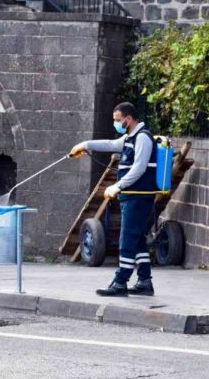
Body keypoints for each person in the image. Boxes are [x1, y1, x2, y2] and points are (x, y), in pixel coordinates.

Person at [69, 102, 157, 297]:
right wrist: (85, 145)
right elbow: (110, 144)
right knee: (138, 240)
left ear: (128, 118)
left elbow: (139, 168)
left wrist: (118, 185)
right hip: (131, 196)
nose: (116, 123)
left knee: (126, 239)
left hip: (138, 197)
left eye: (118, 120)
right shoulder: (129, 138)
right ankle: (144, 281)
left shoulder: (143, 138)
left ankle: (120, 282)